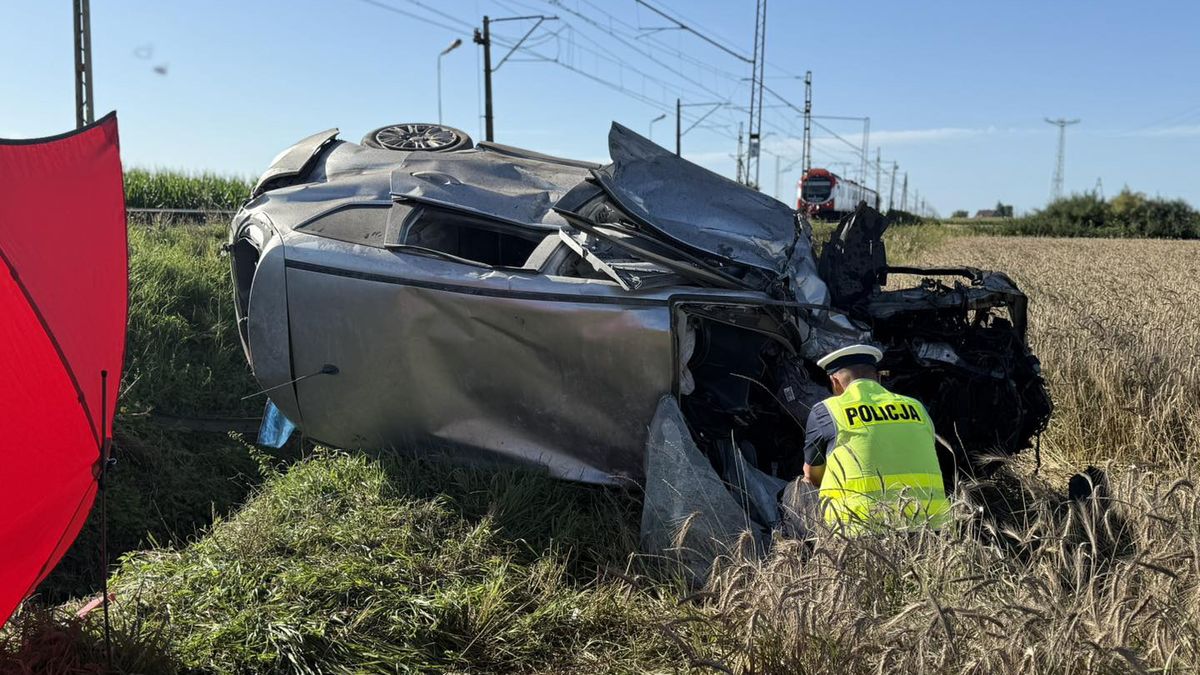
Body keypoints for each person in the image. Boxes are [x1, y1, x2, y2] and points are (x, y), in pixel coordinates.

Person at [799, 344, 950, 535]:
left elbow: (812, 477)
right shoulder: (917, 408)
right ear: (878, 378)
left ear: (834, 382)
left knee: (795, 491)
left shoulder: (826, 410)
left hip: (860, 532)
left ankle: (804, 553)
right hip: (933, 529)